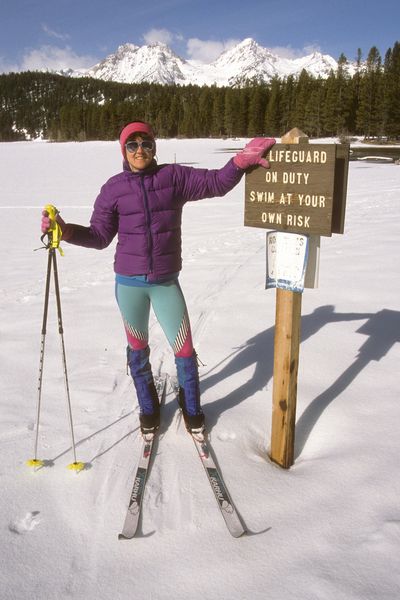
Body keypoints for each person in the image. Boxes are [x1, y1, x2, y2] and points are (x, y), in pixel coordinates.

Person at [41, 121, 275, 435]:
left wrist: (238, 163)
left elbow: (217, 183)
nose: (140, 150)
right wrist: (65, 230)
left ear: (154, 147)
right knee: (137, 349)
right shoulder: (113, 188)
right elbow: (98, 236)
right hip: (129, 285)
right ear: (123, 151)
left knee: (184, 350)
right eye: (132, 145)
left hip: (166, 282)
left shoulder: (173, 177)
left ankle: (192, 410)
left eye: (146, 143)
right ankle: (148, 409)